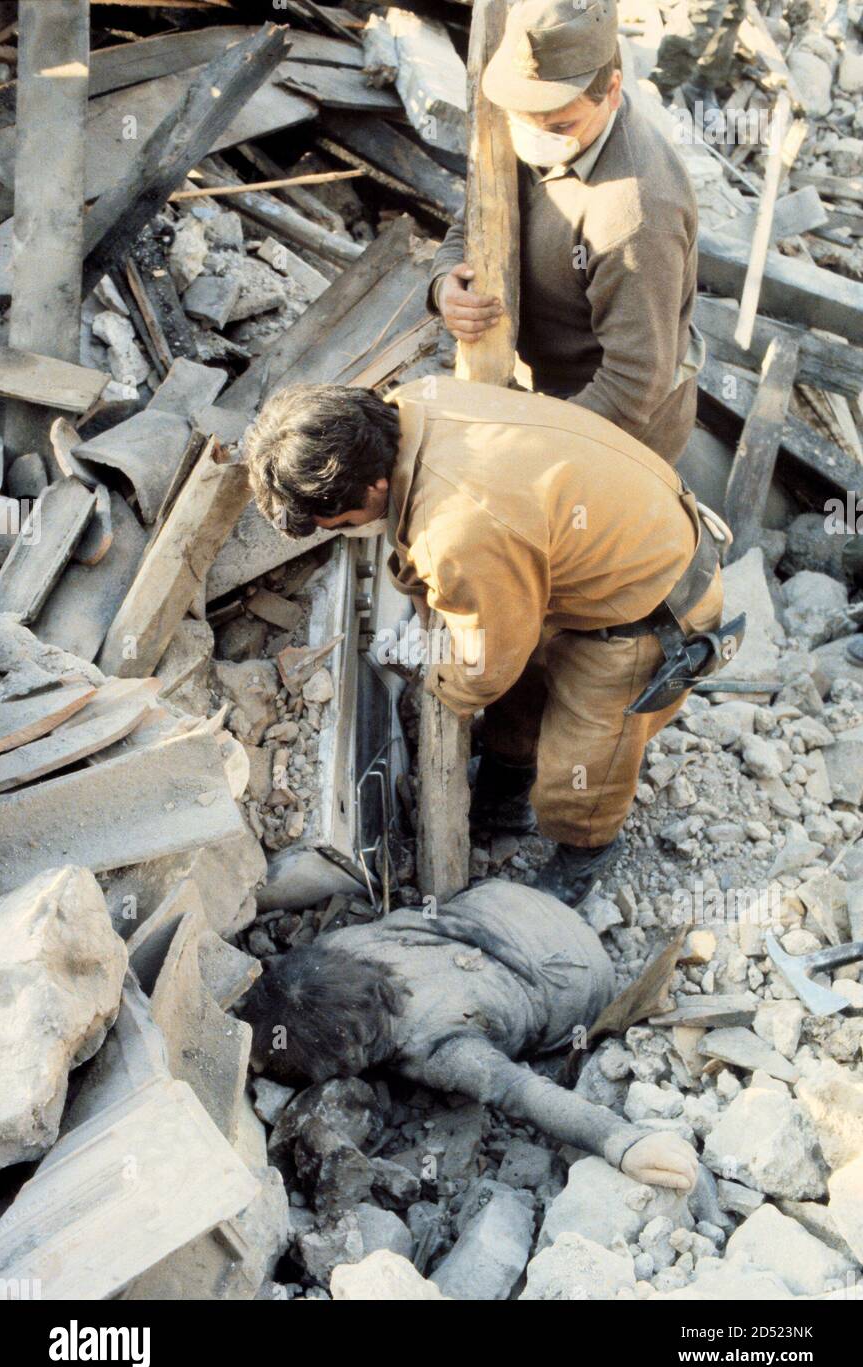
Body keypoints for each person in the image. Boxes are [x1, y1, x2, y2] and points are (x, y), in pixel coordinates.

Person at [244, 375, 729, 904]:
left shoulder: (461, 527)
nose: (343, 530)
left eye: (339, 522)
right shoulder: (410, 407)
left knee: (585, 759)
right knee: (523, 693)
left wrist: (442, 686)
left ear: (373, 487)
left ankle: (582, 852)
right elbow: (434, 552)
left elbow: (487, 664)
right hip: (600, 550)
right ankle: (503, 793)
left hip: (652, 606)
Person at [239, 880, 700, 1192]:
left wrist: (621, 1141)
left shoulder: (439, 1049)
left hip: (575, 976)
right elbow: (291, 998)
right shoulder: (338, 950)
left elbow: (525, 1092)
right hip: (512, 902)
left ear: (355, 1050)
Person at [429, 0, 704, 467]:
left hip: (609, 431)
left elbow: (633, 386)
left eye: (560, 125)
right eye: (522, 120)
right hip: (539, 384)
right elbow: (474, 218)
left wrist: (526, 451)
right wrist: (444, 285)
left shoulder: (635, 219)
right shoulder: (532, 115)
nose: (537, 139)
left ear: (613, 90)